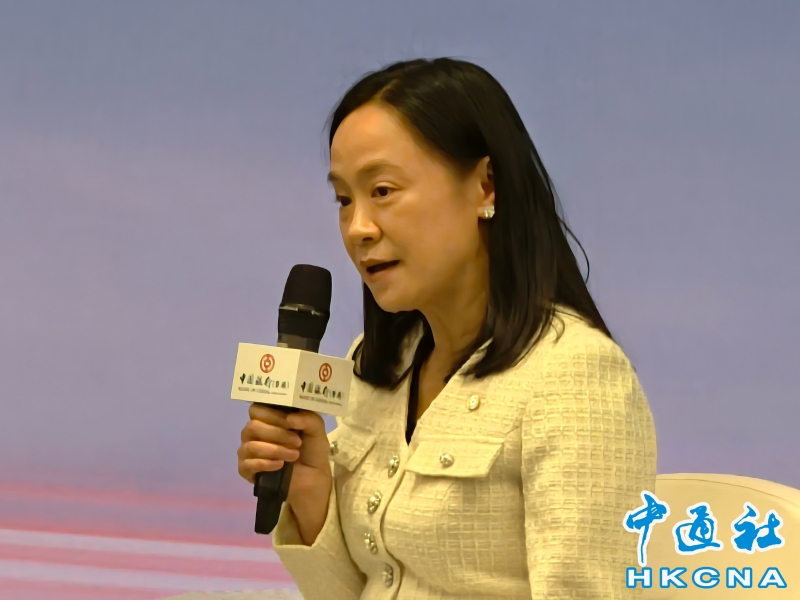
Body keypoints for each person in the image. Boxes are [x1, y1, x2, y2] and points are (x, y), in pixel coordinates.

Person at [237, 57, 657, 599]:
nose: (358, 228)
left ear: (485, 187)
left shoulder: (575, 376)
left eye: (382, 190)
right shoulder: (377, 365)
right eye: (344, 199)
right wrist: (312, 493)